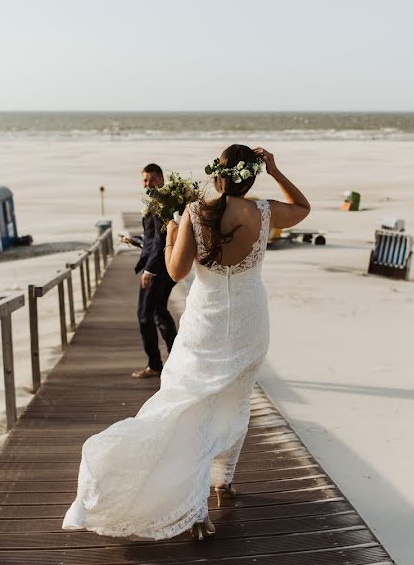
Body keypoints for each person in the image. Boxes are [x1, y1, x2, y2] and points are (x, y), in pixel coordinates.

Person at [62, 145, 310, 540]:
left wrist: (175, 228)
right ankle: (223, 480)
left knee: (191, 408)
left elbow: (175, 272)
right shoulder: (262, 212)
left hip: (205, 325)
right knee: (235, 400)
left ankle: (197, 510)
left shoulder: (197, 212)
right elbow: (302, 207)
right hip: (249, 323)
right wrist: (276, 171)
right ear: (251, 176)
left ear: (218, 174)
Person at [132, 163, 178, 379]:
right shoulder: (155, 202)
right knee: (159, 311)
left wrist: (150, 270)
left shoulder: (163, 204)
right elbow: (152, 238)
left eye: (151, 179)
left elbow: (162, 239)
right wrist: (138, 242)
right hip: (158, 264)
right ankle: (175, 361)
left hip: (159, 268)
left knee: (145, 315)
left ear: (161, 179)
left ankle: (156, 365)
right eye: (144, 180)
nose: (148, 184)